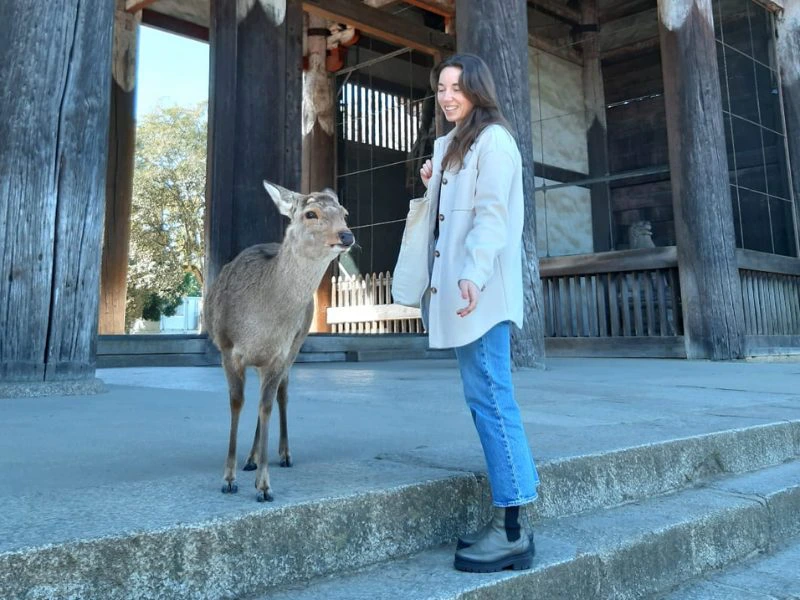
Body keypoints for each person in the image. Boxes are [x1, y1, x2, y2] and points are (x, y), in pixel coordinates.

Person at [418, 53, 539, 573]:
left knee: (491, 398)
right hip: (466, 292)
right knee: (483, 397)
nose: (447, 96)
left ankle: (512, 530)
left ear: (477, 90)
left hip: (480, 292)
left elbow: (493, 216)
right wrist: (433, 180)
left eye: (457, 88)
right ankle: (511, 519)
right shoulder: (454, 145)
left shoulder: (494, 141)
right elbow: (450, 217)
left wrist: (474, 272)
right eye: (441, 88)